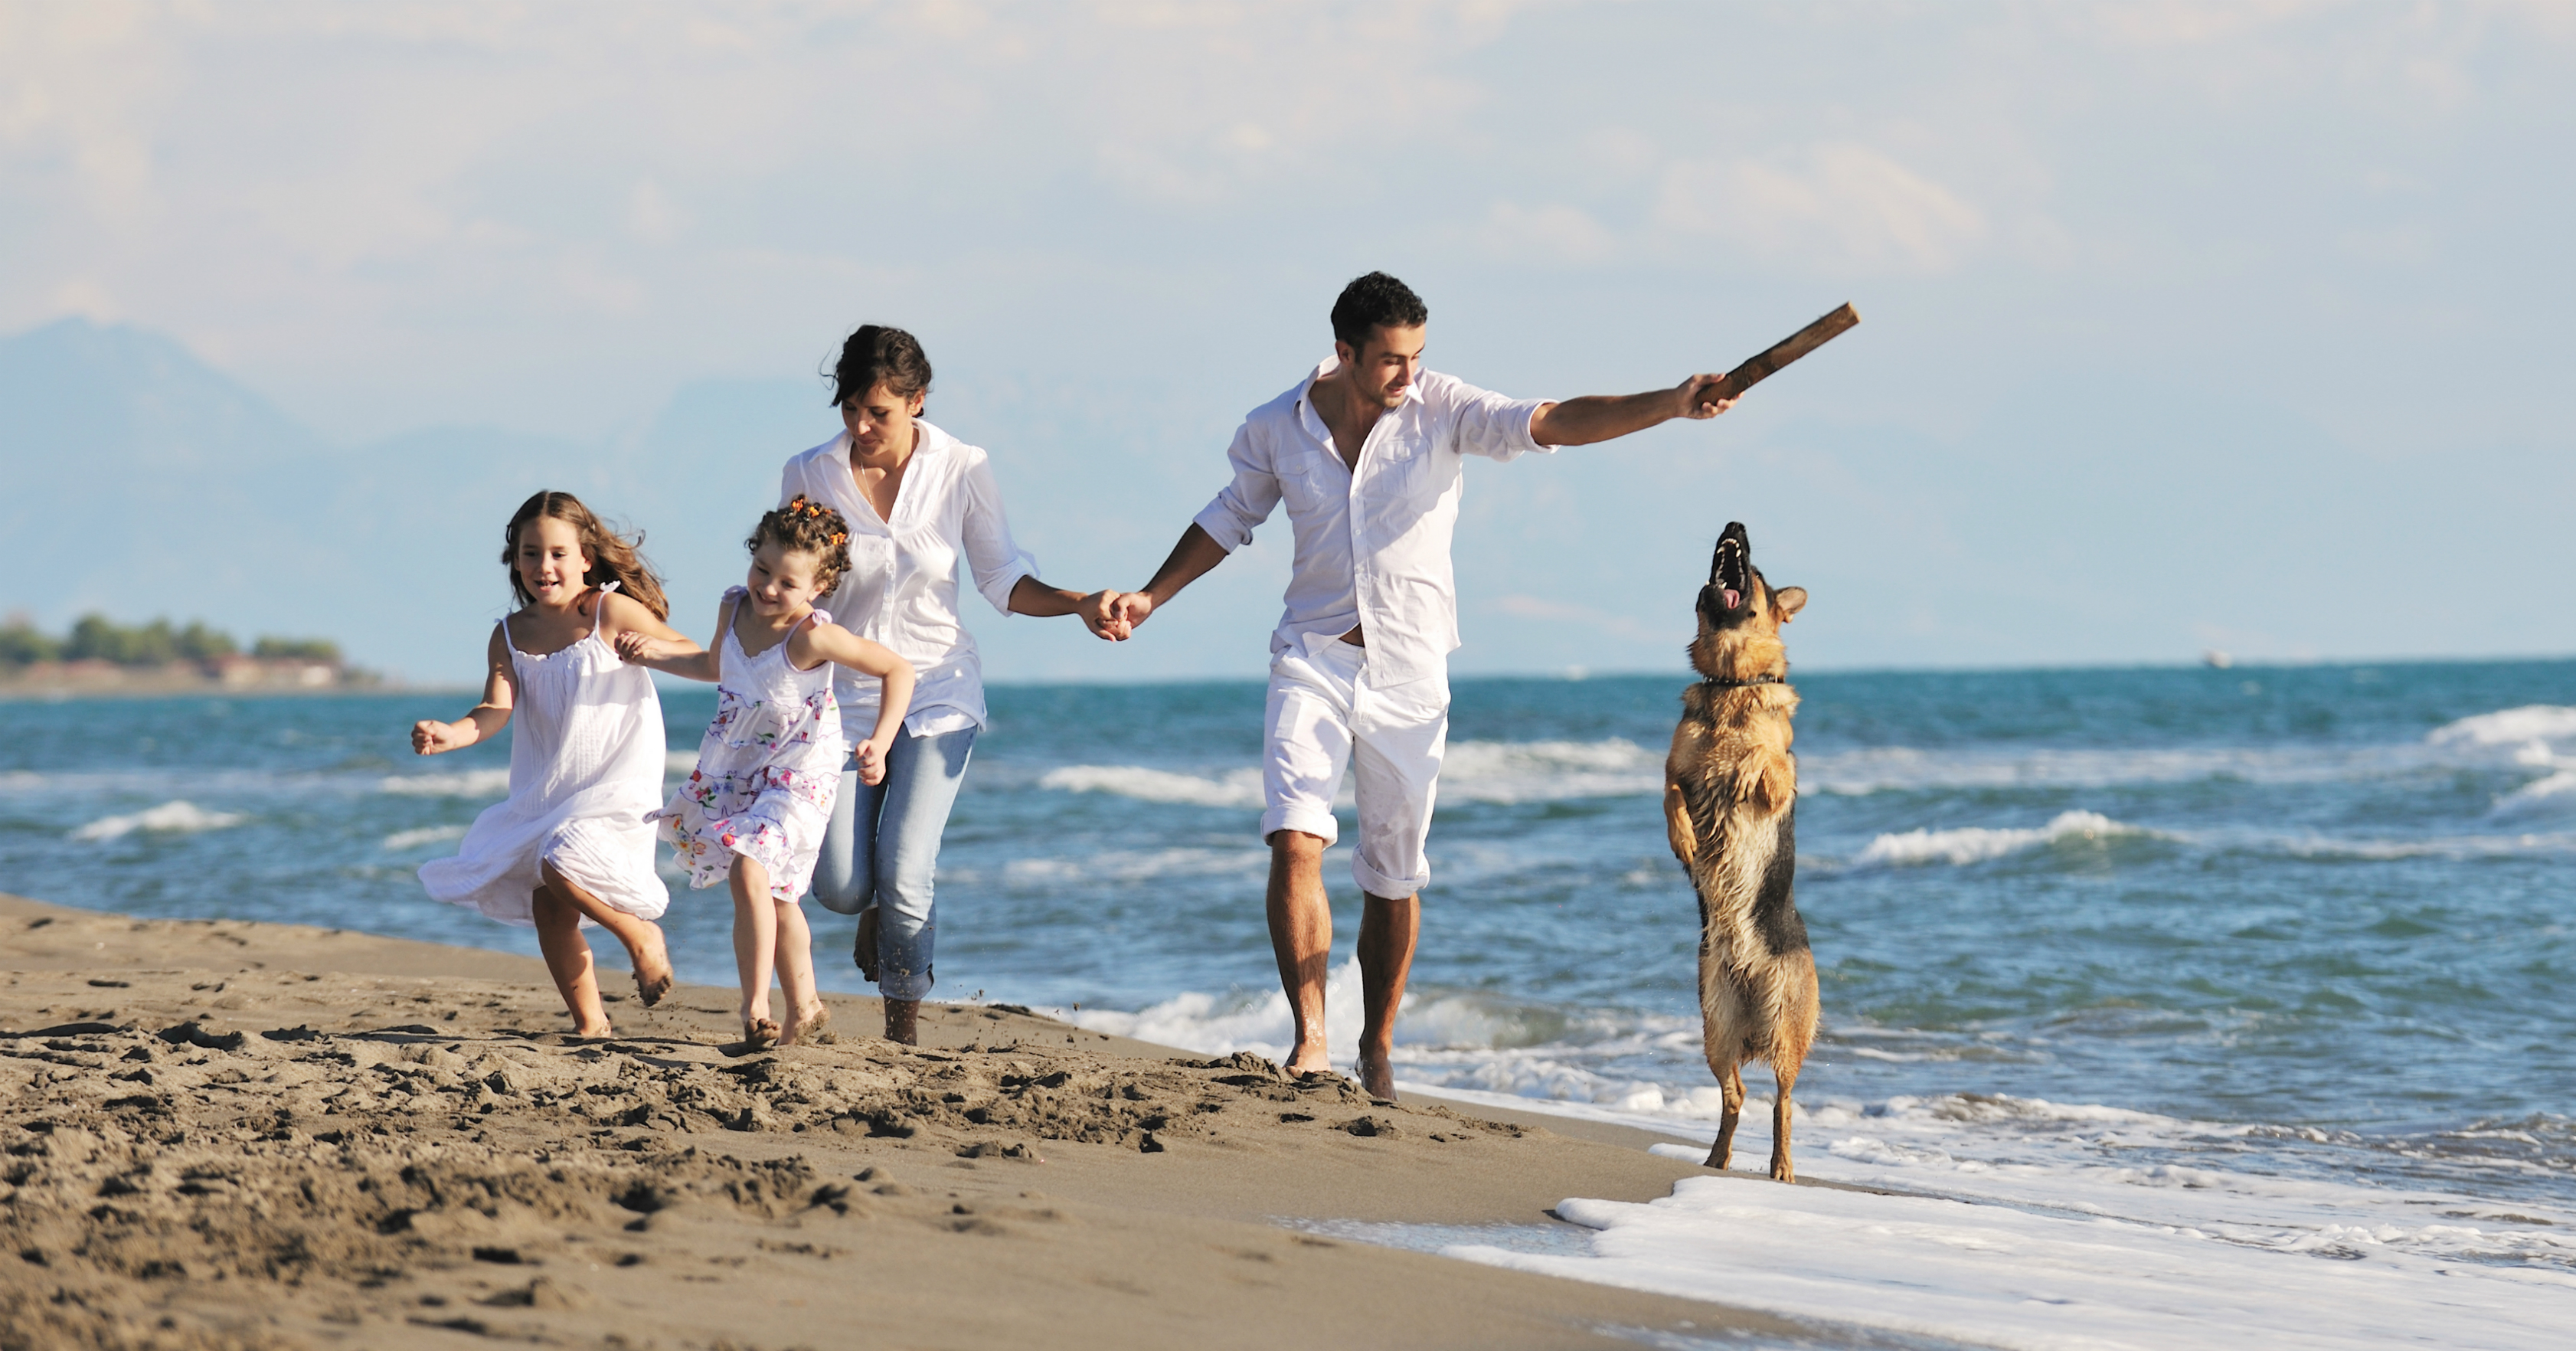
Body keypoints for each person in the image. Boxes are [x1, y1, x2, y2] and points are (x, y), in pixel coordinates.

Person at [1107, 272, 1740, 1100]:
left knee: (1391, 876)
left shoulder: (1442, 407)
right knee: (1295, 835)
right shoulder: (1276, 427)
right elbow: (1231, 515)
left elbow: (1549, 421)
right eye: (1391, 360)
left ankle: (1376, 1044)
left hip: (1410, 673)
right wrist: (1151, 596)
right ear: (1344, 353)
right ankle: (1311, 1040)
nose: (1409, 374)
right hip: (1314, 653)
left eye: (1417, 356)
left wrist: (1668, 403)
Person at [781, 324, 1123, 1045]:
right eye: (850, 409)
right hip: (843, 697)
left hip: (940, 690)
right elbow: (795, 585)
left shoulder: (964, 467)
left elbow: (1001, 579)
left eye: (879, 411)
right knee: (842, 886)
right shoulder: (810, 473)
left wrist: (1078, 603)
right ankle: (874, 906)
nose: (862, 426)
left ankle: (901, 1034)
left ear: (918, 403)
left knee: (907, 875)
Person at [619, 496, 916, 1052]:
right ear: (752, 556)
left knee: (751, 868)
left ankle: (756, 1009)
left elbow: (897, 670)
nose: (769, 589)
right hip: (741, 771)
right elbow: (715, 666)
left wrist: (880, 737)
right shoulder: (733, 609)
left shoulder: (811, 636)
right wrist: (652, 655)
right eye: (762, 570)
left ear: (817, 589)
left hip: (801, 774)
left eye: (787, 582)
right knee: (779, 898)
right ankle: (806, 1006)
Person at [413, 490, 690, 1039]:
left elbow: (696, 654)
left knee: (563, 862)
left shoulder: (609, 610)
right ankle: (592, 1025)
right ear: (515, 561)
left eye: (558, 553)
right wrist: (452, 734)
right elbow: (495, 709)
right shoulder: (511, 634)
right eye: (531, 553)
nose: (545, 566)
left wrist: (652, 652)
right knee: (549, 909)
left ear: (586, 557)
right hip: (548, 789)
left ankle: (641, 937)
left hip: (615, 781)